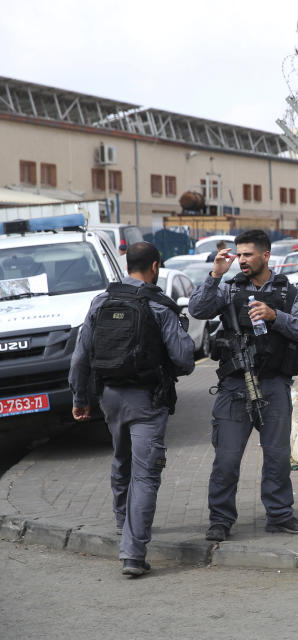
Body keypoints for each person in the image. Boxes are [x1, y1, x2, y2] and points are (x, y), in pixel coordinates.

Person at [69, 242, 195, 577]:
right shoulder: (159, 306)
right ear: (155, 266)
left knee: (121, 459)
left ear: (128, 266)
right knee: (146, 473)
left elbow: (81, 356)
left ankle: (122, 522)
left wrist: (80, 398)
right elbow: (184, 359)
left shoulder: (101, 301)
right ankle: (133, 554)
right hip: (146, 401)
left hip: (109, 397)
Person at [189, 229, 298, 542]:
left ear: (266, 255)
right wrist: (214, 275)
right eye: (239, 255)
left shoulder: (288, 293)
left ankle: (280, 515)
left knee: (277, 456)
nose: (241, 260)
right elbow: (198, 310)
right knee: (227, 458)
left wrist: (275, 316)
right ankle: (220, 520)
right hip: (235, 387)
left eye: (247, 255)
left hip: (273, 386)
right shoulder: (229, 290)